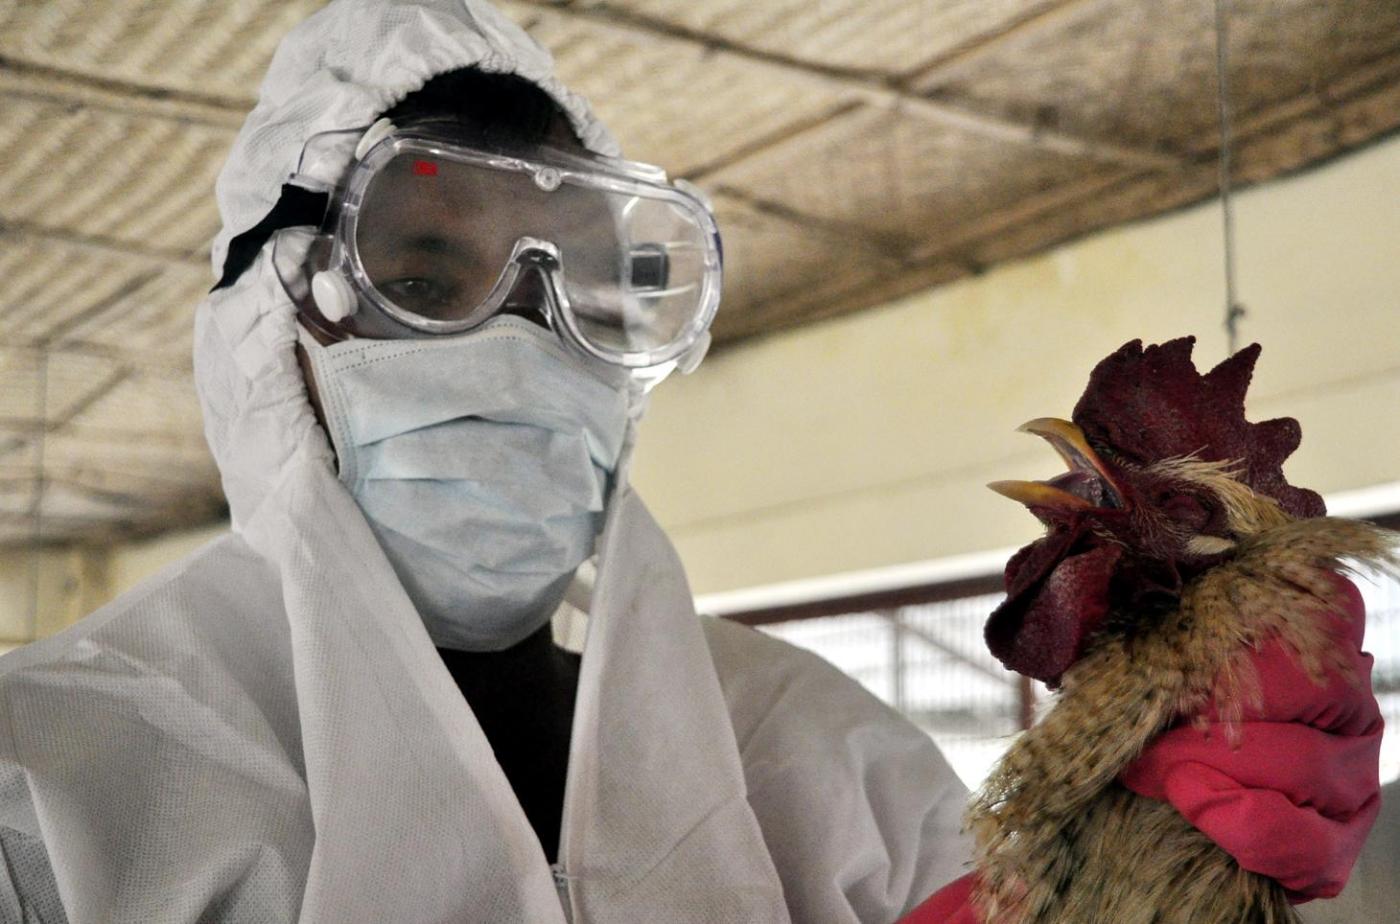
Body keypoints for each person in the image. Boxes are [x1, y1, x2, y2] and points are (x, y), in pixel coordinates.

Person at [0, 2, 970, 922]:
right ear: (272, 334)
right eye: (423, 284)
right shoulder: (61, 784)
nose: (524, 350)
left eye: (583, 300)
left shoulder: (832, 767)